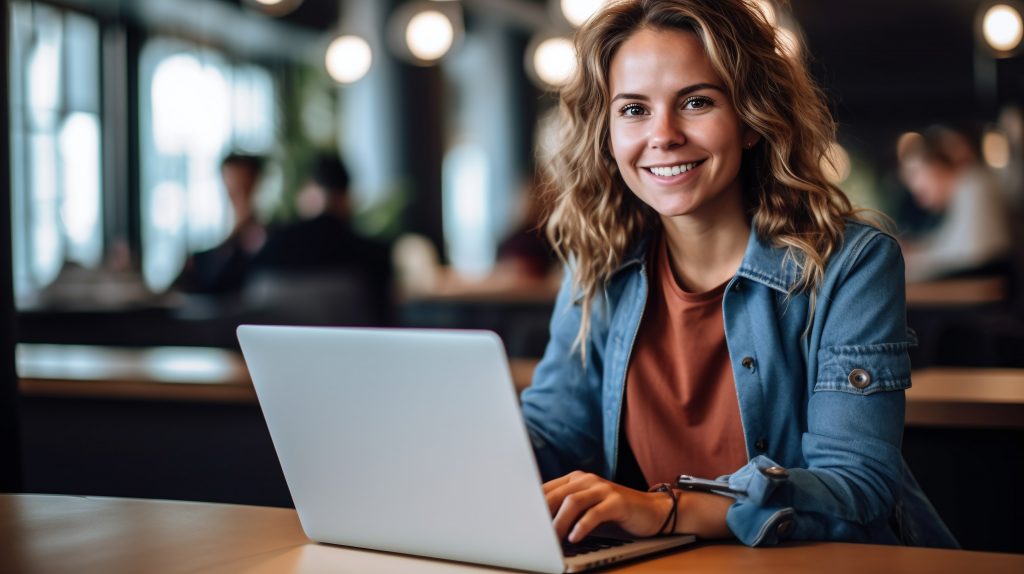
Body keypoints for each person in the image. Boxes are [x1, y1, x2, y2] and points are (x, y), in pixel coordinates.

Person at [519, 0, 957, 549]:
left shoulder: (852, 263)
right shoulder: (598, 261)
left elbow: (857, 487)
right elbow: (556, 433)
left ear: (751, 119)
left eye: (696, 102)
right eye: (633, 109)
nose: (664, 134)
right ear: (607, 132)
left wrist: (664, 510)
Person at [249, 153, 393, 323]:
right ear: (347, 197)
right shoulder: (374, 254)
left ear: (308, 191)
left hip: (276, 347)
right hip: (352, 346)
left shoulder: (272, 246)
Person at [898, 126, 1012, 282]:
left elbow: (967, 256)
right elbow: (951, 247)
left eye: (914, 173)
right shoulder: (967, 186)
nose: (911, 185)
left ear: (936, 166)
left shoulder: (973, 186)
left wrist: (906, 260)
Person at [177, 153, 266, 295]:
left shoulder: (261, 245)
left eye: (244, 189)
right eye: (232, 191)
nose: (239, 198)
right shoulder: (209, 254)